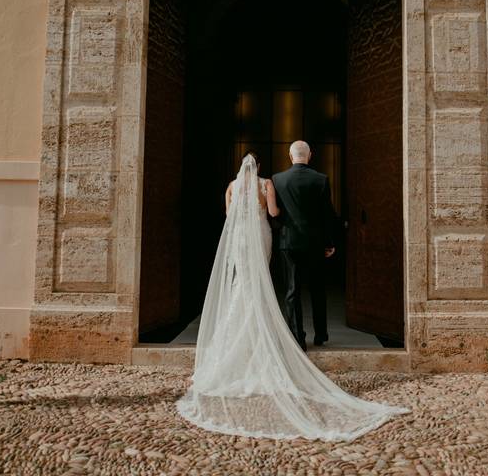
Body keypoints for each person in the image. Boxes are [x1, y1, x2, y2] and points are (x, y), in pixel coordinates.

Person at [175, 151, 408, 441]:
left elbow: (228, 215)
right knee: (259, 284)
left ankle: (230, 346)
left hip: (239, 239)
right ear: (259, 166)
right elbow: (273, 213)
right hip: (260, 235)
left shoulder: (231, 187)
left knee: (241, 285)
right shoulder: (266, 184)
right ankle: (264, 337)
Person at [271, 140, 335, 351]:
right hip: (315, 243)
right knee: (318, 289)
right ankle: (321, 334)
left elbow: (276, 213)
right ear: (310, 155)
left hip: (289, 242)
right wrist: (329, 242)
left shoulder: (278, 180)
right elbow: (327, 214)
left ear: (290, 156)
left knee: (292, 290)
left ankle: (298, 338)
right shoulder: (321, 179)